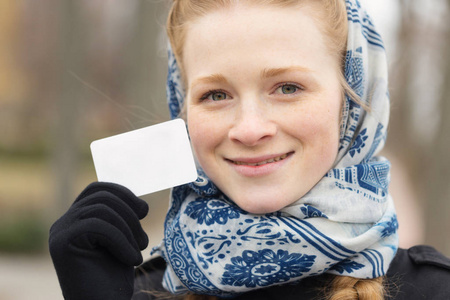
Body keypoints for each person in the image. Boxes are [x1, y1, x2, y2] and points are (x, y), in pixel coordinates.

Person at [49, 0, 450, 299]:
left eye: (288, 88)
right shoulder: (144, 289)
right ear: (182, 108)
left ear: (354, 100)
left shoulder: (434, 290)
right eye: (216, 94)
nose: (249, 129)